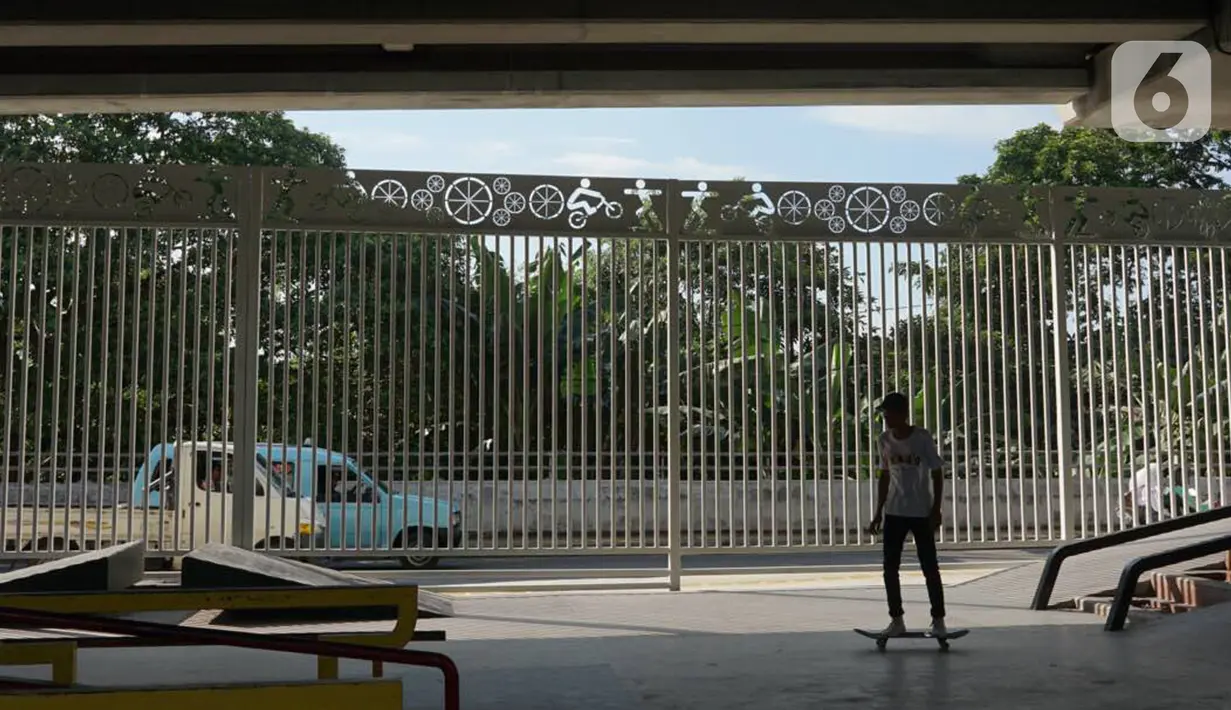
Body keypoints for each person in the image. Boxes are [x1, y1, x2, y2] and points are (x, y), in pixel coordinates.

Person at [867, 391, 947, 638]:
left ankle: (938, 620)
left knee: (929, 567)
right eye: (884, 414)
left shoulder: (921, 438)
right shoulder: (884, 440)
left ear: (902, 413)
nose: (886, 418)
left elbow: (936, 472)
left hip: (921, 511)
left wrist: (936, 509)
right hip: (894, 512)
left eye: (889, 413)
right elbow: (885, 474)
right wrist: (879, 511)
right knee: (890, 568)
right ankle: (896, 619)